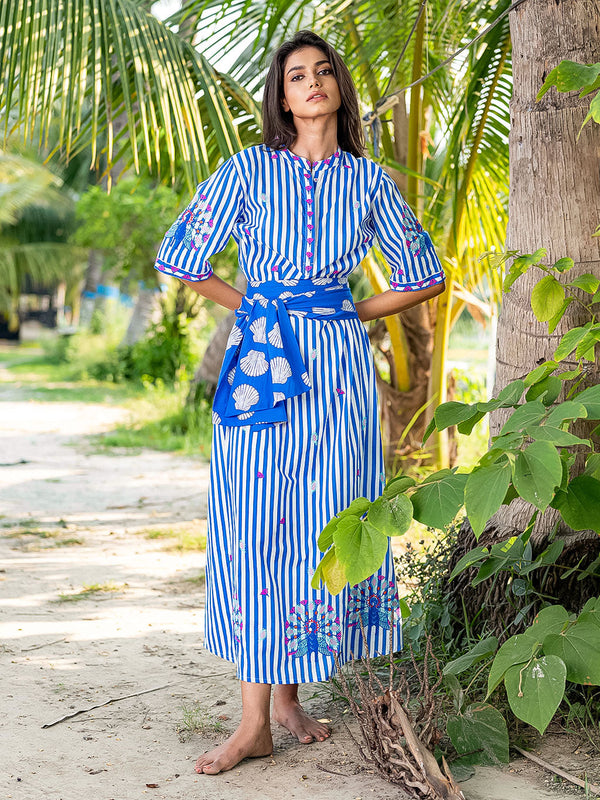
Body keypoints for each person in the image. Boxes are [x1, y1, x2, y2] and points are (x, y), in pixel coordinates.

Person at [153, 29, 446, 776]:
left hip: (340, 375)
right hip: (263, 359)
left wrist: (349, 313)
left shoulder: (369, 182)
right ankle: (253, 722)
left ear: (338, 89)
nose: (311, 83)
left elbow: (425, 273)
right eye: (296, 76)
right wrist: (256, 303)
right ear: (281, 97)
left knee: (323, 519)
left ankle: (286, 699)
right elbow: (181, 256)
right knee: (258, 522)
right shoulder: (250, 170)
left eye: (322, 72)